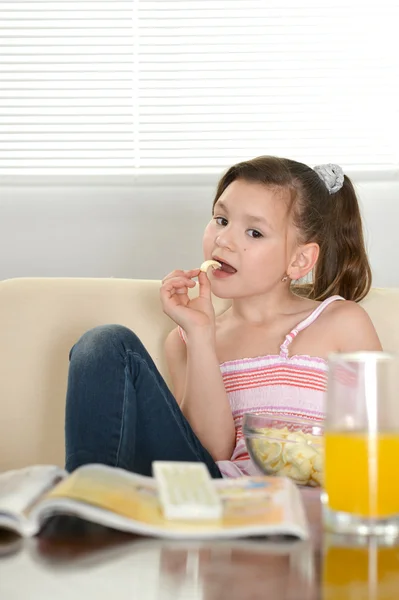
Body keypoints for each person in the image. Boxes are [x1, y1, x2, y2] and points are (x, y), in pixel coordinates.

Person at [64, 156, 382, 478]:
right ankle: (87, 507)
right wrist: (201, 336)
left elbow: (382, 439)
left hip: (308, 500)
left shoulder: (342, 322)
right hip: (214, 495)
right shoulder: (186, 340)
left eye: (254, 232)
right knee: (105, 343)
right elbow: (210, 453)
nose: (224, 239)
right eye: (221, 219)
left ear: (300, 260)